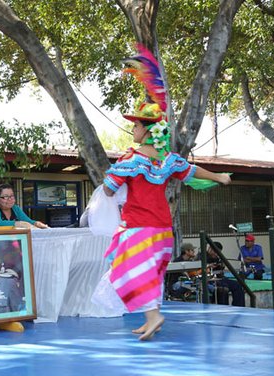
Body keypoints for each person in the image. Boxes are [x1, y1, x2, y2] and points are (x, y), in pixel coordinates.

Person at [97, 44, 231, 341]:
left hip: (139, 227)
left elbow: (108, 190)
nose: (132, 131)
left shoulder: (130, 161)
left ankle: (154, 316)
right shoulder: (166, 160)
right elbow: (193, 171)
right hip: (162, 230)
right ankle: (150, 319)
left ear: (145, 130)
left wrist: (107, 188)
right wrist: (220, 177)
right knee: (151, 274)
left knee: (126, 271)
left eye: (135, 126)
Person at [204, 242, 246, 307]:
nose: (216, 254)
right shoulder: (203, 256)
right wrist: (209, 266)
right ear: (210, 249)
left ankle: (239, 307)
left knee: (237, 285)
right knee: (224, 287)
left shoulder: (217, 258)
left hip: (219, 278)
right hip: (209, 280)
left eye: (218, 252)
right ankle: (224, 308)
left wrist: (221, 265)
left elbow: (220, 271)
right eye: (215, 252)